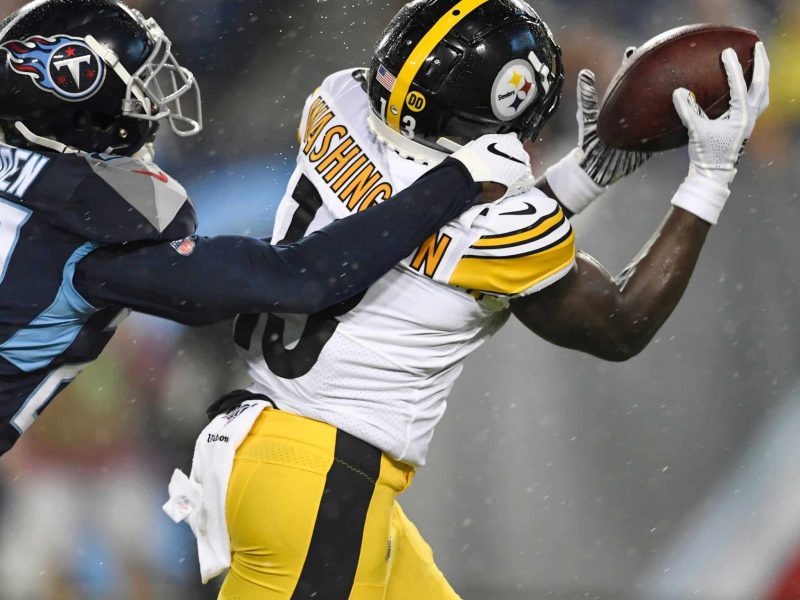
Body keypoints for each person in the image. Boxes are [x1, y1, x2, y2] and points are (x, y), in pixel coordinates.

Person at [163, 1, 771, 598]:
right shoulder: (497, 228)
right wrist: (710, 175)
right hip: (322, 483)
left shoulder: (337, 102)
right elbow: (620, 325)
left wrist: (587, 172)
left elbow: (430, 232)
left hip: (266, 451)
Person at [0, 0, 534, 456]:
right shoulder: (89, 228)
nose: (152, 109)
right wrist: (461, 179)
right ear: (73, 101)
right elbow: (300, 278)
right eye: (138, 93)